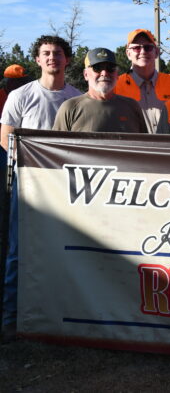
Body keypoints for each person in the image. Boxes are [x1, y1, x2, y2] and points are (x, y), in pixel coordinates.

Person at [1, 35, 82, 336]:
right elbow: (5, 138)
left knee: (64, 248)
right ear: (37, 60)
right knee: (19, 249)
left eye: (58, 53)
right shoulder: (20, 95)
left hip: (64, 187)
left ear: (68, 59)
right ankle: (11, 317)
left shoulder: (75, 98)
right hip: (28, 185)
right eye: (46, 53)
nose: (52, 58)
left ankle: (58, 312)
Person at [53, 48, 147, 133]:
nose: (104, 73)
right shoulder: (70, 108)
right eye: (97, 68)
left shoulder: (132, 107)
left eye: (110, 68)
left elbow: (145, 147)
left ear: (117, 74)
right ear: (85, 74)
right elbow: (55, 148)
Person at [115, 29, 170, 133]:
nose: (142, 52)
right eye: (136, 48)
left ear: (156, 52)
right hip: (133, 148)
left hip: (169, 147)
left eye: (148, 48)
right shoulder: (116, 85)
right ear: (128, 54)